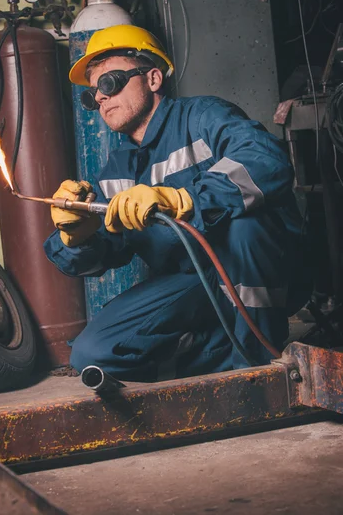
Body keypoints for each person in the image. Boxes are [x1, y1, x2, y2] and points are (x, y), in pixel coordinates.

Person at [44, 24, 310, 382]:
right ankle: (222, 350)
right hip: (192, 283)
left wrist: (185, 199)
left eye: (110, 82)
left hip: (263, 270)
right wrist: (75, 237)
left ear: (153, 79)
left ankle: (258, 364)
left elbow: (268, 161)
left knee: (245, 224)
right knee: (92, 353)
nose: (101, 98)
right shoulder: (117, 169)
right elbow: (107, 250)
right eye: (93, 95)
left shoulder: (203, 117)